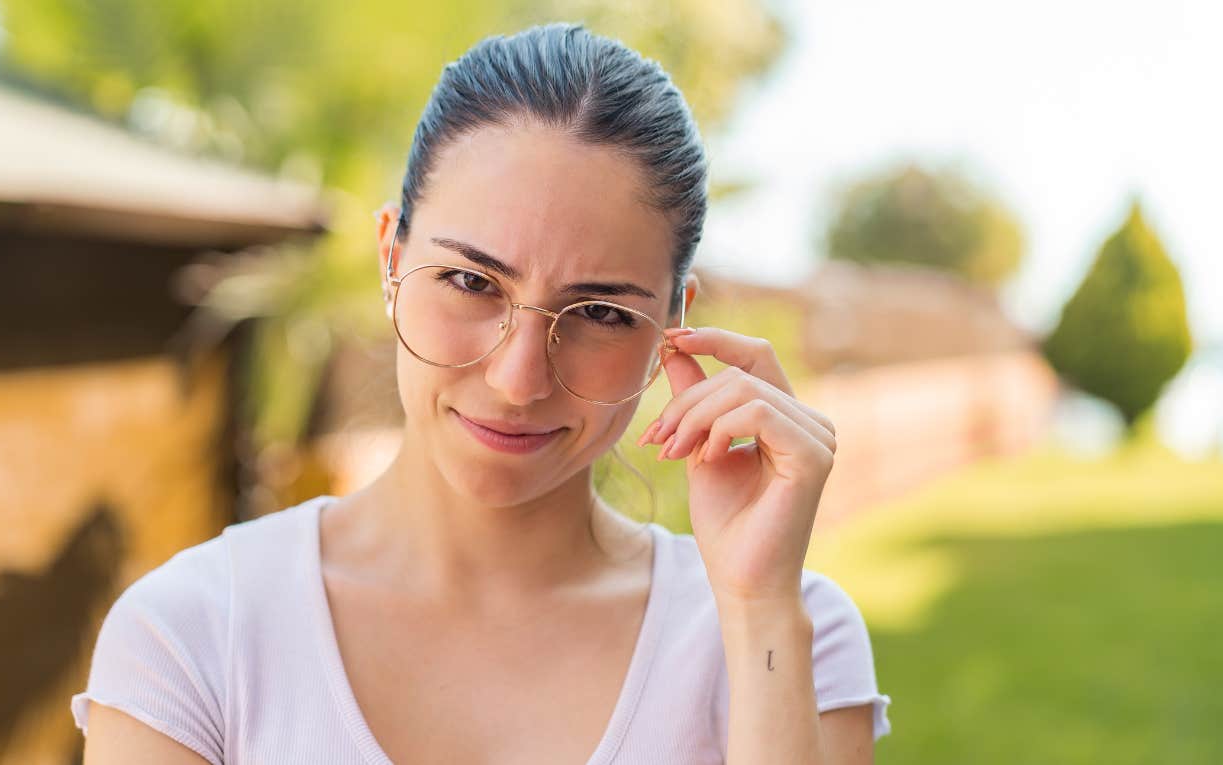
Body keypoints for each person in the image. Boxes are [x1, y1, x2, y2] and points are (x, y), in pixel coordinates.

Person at [71, 22, 891, 764]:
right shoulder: (192, 637)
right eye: (470, 280)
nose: (518, 376)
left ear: (673, 325)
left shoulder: (790, 640)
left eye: (600, 311)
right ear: (391, 259)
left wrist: (756, 615)